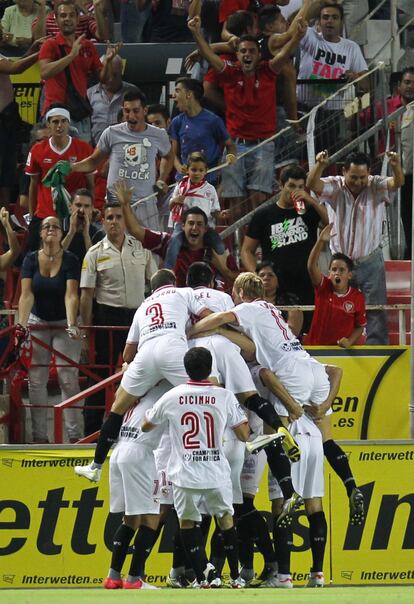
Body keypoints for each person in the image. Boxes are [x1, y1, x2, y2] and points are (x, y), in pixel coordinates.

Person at [74, 268, 211, 481]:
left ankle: (96, 465)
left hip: (145, 354)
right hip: (172, 347)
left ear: (152, 289)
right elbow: (206, 315)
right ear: (173, 282)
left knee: (117, 407)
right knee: (208, 391)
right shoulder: (183, 292)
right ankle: (226, 442)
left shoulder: (142, 307)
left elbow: (128, 352)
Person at [141, 346, 251, 588]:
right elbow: (243, 433)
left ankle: (204, 577)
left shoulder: (172, 396)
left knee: (188, 523)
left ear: (186, 369)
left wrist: (155, 414)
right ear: (210, 368)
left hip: (185, 474)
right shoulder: (224, 396)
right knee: (225, 519)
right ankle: (235, 576)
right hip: (216, 471)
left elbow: (146, 425)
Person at [188, 16, 306, 214]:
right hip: (235, 145)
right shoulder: (229, 72)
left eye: (252, 51)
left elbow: (284, 54)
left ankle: (255, 243)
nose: (247, 55)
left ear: (259, 56)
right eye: (243, 51)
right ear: (237, 55)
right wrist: (196, 33)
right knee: (234, 200)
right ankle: (236, 246)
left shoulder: (268, 71)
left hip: (263, 144)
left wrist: (298, 36)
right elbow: (209, 55)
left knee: (258, 199)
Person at [306, 149, 405, 345]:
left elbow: (397, 182)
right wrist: (320, 166)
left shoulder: (375, 185)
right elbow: (311, 183)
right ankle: (338, 345)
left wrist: (395, 166)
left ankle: (377, 351)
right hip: (340, 264)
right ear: (344, 172)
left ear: (369, 173)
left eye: (362, 177)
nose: (358, 182)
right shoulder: (335, 186)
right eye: (353, 177)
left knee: (375, 309)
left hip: (370, 261)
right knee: (337, 308)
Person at [79, 202, 157, 435]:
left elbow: (155, 285)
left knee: (141, 374)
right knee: (98, 376)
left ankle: (138, 429)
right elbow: (86, 294)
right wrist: (86, 329)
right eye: (109, 217)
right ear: (103, 221)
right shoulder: (94, 253)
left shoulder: (141, 249)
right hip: (106, 320)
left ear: (125, 221)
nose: (114, 221)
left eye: (118, 217)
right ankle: (91, 433)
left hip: (136, 319)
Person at [69, 88, 174, 231]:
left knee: (148, 251)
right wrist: (72, 167)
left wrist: (162, 178)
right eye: (127, 111)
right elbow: (94, 161)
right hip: (115, 203)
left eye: (136, 111)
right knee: (113, 250)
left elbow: (169, 155)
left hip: (145, 204)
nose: (131, 116)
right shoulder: (112, 133)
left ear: (145, 110)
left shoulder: (158, 135)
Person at [17, 215, 82, 443]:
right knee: (36, 380)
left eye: (56, 226)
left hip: (64, 322)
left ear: (62, 233)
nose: (52, 229)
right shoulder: (31, 260)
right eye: (47, 227)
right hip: (38, 321)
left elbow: (71, 294)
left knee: (68, 378)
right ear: (41, 234)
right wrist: (22, 326)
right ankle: (39, 437)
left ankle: (74, 437)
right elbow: (26, 295)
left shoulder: (71, 259)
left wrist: (72, 323)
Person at [103, 380, 171, 590]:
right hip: (139, 454)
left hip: (119, 452)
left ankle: (113, 577)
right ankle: (134, 579)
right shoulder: (167, 390)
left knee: (130, 519)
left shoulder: (139, 390)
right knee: (152, 517)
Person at [241, 164, 328, 326]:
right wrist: (258, 276)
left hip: (305, 282)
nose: (296, 190)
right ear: (281, 186)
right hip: (276, 287)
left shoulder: (309, 212)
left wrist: (312, 201)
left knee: (306, 329)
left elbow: (331, 224)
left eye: (301, 187)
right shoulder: (264, 215)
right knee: (274, 328)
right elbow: (246, 250)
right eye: (291, 186)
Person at [113, 180, 239, 287]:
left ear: (206, 229)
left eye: (199, 224)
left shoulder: (217, 251)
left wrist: (223, 269)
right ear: (182, 226)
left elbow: (238, 280)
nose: (194, 227)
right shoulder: (168, 242)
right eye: (191, 223)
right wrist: (125, 205)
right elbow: (136, 231)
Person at [38, 1, 120, 139]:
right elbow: (44, 72)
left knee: (81, 156)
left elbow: (103, 79)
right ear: (56, 20)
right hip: (55, 112)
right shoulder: (50, 44)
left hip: (79, 112)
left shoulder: (87, 45)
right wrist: (71, 56)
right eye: (63, 16)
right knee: (56, 157)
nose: (67, 19)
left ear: (77, 19)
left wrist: (109, 62)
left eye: (71, 15)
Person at [25, 106, 94, 251]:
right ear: (48, 125)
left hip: (75, 215)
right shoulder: (37, 150)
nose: (60, 125)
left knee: (76, 258)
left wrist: (90, 210)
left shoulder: (84, 148)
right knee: (36, 257)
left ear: (69, 124)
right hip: (44, 213)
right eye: (55, 122)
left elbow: (90, 185)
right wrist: (32, 216)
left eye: (64, 121)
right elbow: (33, 185)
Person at [307, 223, 367, 347]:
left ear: (349, 275)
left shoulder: (357, 297)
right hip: (316, 350)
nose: (336, 273)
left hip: (340, 352)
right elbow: (311, 266)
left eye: (341, 270)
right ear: (329, 273)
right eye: (333, 270)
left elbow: (360, 326)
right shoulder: (323, 286)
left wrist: (349, 341)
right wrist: (320, 241)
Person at [0, 37, 44, 204]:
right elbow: (15, 68)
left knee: (7, 177)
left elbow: (15, 64)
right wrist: (41, 53)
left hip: (7, 122)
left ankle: (3, 223)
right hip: (1, 124)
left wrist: (32, 50)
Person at [165, 151, 227, 268]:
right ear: (187, 170)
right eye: (193, 170)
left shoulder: (210, 189)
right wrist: (175, 200)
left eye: (200, 170)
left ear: (206, 171)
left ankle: (218, 269)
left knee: (220, 248)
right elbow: (170, 205)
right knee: (174, 242)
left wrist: (221, 215)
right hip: (183, 225)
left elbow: (215, 211)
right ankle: (168, 270)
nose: (197, 173)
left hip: (205, 226)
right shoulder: (181, 186)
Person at [169, 77, 236, 184]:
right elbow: (173, 154)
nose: (173, 96)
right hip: (184, 181)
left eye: (177, 91)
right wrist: (178, 166)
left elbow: (230, 146)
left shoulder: (213, 120)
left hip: (209, 180)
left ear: (189, 95)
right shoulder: (176, 122)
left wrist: (229, 158)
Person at [87, 55, 137, 145]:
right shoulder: (89, 94)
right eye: (107, 75)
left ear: (121, 71)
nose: (110, 79)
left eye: (115, 75)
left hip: (126, 147)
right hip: (96, 150)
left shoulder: (133, 92)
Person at [256, 260, 303, 337]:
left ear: (278, 280)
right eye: (261, 275)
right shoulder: (250, 301)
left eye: (270, 275)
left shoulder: (290, 300)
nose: (266, 278)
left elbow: (293, 332)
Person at [61, 188, 104, 269]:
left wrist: (86, 235)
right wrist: (71, 233)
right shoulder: (59, 226)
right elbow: (54, 257)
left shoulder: (97, 232)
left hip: (86, 275)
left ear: (92, 209)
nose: (81, 210)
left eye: (86, 206)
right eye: (78, 205)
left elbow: (95, 264)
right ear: (70, 206)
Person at [32, 0, 106, 41]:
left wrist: (97, 8)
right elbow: (38, 40)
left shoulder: (85, 20)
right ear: (52, 1)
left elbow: (102, 36)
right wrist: (42, 8)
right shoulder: (42, 21)